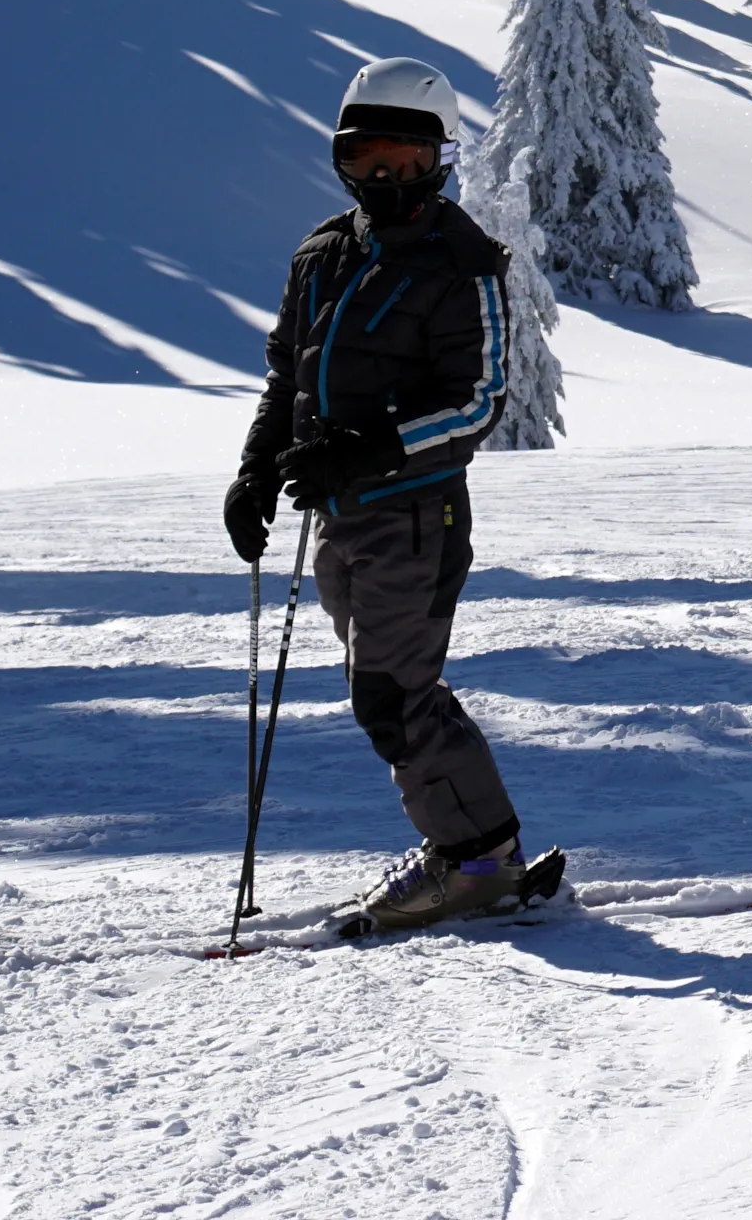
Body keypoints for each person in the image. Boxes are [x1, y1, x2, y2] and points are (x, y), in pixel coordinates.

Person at [221, 57, 530, 931]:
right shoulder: (322, 254)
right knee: (392, 691)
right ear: (341, 159)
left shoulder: (463, 265)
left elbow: (477, 404)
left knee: (392, 696)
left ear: (441, 162)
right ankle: (477, 847)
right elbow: (289, 378)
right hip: (340, 515)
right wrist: (256, 471)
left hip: (416, 514)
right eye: (367, 159)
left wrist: (362, 454)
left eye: (408, 160)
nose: (388, 179)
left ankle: (478, 858)